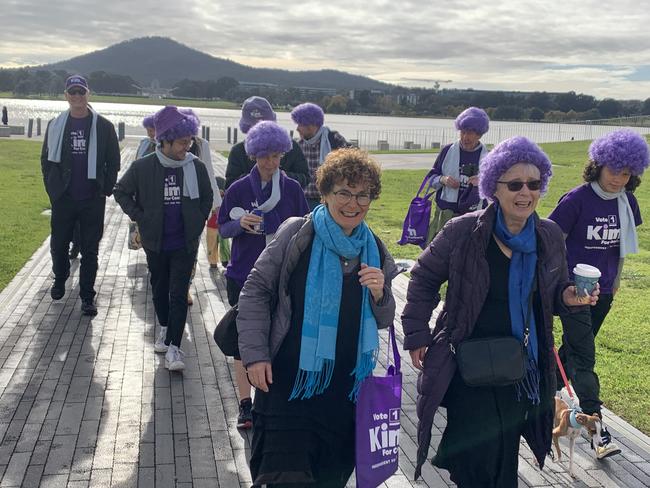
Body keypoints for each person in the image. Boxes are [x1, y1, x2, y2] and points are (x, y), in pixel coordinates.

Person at [401, 136, 600, 487]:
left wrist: (569, 298)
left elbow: (553, 293)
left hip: (518, 368)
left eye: (534, 184)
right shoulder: (464, 230)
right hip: (468, 360)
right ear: (495, 186)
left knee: (503, 453)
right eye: (515, 184)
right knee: (477, 452)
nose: (526, 192)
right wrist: (418, 333)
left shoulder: (548, 235)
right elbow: (423, 277)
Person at [237, 147, 399, 487]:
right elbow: (255, 292)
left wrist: (380, 293)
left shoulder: (375, 250)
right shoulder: (297, 233)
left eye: (362, 195)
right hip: (286, 386)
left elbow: (384, 319)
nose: (353, 203)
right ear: (325, 193)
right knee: (284, 479)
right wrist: (255, 356)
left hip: (343, 397)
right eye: (343, 192)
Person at [548, 129, 649, 459]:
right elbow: (551, 242)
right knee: (585, 357)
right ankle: (598, 430)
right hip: (574, 292)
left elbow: (621, 246)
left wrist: (616, 280)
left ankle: (540, 391)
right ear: (598, 166)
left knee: (575, 348)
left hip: (604, 291)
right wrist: (561, 284)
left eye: (626, 173)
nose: (619, 179)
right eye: (613, 170)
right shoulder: (576, 199)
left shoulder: (627, 202)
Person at [218, 121, 309, 429]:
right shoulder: (239, 188)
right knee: (244, 340)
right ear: (253, 155)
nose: (270, 162)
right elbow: (222, 225)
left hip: (282, 277)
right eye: (264, 156)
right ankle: (245, 404)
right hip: (243, 273)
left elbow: (306, 228)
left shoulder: (293, 190)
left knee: (280, 337)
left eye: (276, 156)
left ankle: (271, 398)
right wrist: (239, 224)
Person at [113, 106, 213, 371]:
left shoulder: (196, 167)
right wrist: (140, 216)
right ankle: (165, 328)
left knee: (178, 293)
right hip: (155, 242)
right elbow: (120, 191)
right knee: (158, 289)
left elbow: (207, 196)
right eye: (182, 142)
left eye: (189, 141)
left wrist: (198, 221)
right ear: (165, 140)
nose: (187, 147)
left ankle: (174, 348)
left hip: (185, 242)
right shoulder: (143, 167)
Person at [41, 75, 120, 315]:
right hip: (64, 198)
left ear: (88, 94)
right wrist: (54, 190)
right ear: (66, 96)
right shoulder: (56, 125)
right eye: (72, 92)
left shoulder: (103, 126)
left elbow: (113, 161)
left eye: (81, 92)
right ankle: (60, 276)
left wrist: (104, 189)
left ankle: (87, 296)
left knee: (90, 250)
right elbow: (46, 161)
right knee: (58, 244)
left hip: (91, 198)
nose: (77, 97)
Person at [426, 106, 490, 244]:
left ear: (479, 134)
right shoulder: (447, 151)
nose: (465, 137)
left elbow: (495, 188)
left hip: (474, 213)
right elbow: (431, 178)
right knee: (441, 250)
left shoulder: (489, 157)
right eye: (463, 132)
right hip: (446, 212)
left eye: (470, 133)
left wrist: (482, 182)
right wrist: (443, 179)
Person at [181, 108, 223, 305]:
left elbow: (209, 173)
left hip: (194, 205)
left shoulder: (201, 145)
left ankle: (186, 286)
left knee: (191, 248)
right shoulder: (167, 143)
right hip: (172, 203)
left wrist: (216, 205)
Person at [226, 96, 309, 189]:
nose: (260, 131)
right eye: (254, 127)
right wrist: (256, 176)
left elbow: (305, 178)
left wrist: (284, 176)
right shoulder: (238, 151)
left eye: (264, 125)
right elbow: (230, 184)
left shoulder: (291, 147)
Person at [290, 102, 348, 209]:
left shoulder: (334, 139)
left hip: (329, 200)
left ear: (312, 125)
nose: (297, 129)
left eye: (300, 124)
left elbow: (349, 166)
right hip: (304, 200)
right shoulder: (298, 145)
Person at [205, 176, 230, 269]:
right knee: (211, 244)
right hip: (211, 225)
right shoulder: (210, 199)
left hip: (222, 225)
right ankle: (213, 262)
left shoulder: (225, 199)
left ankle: (225, 260)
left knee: (225, 245)